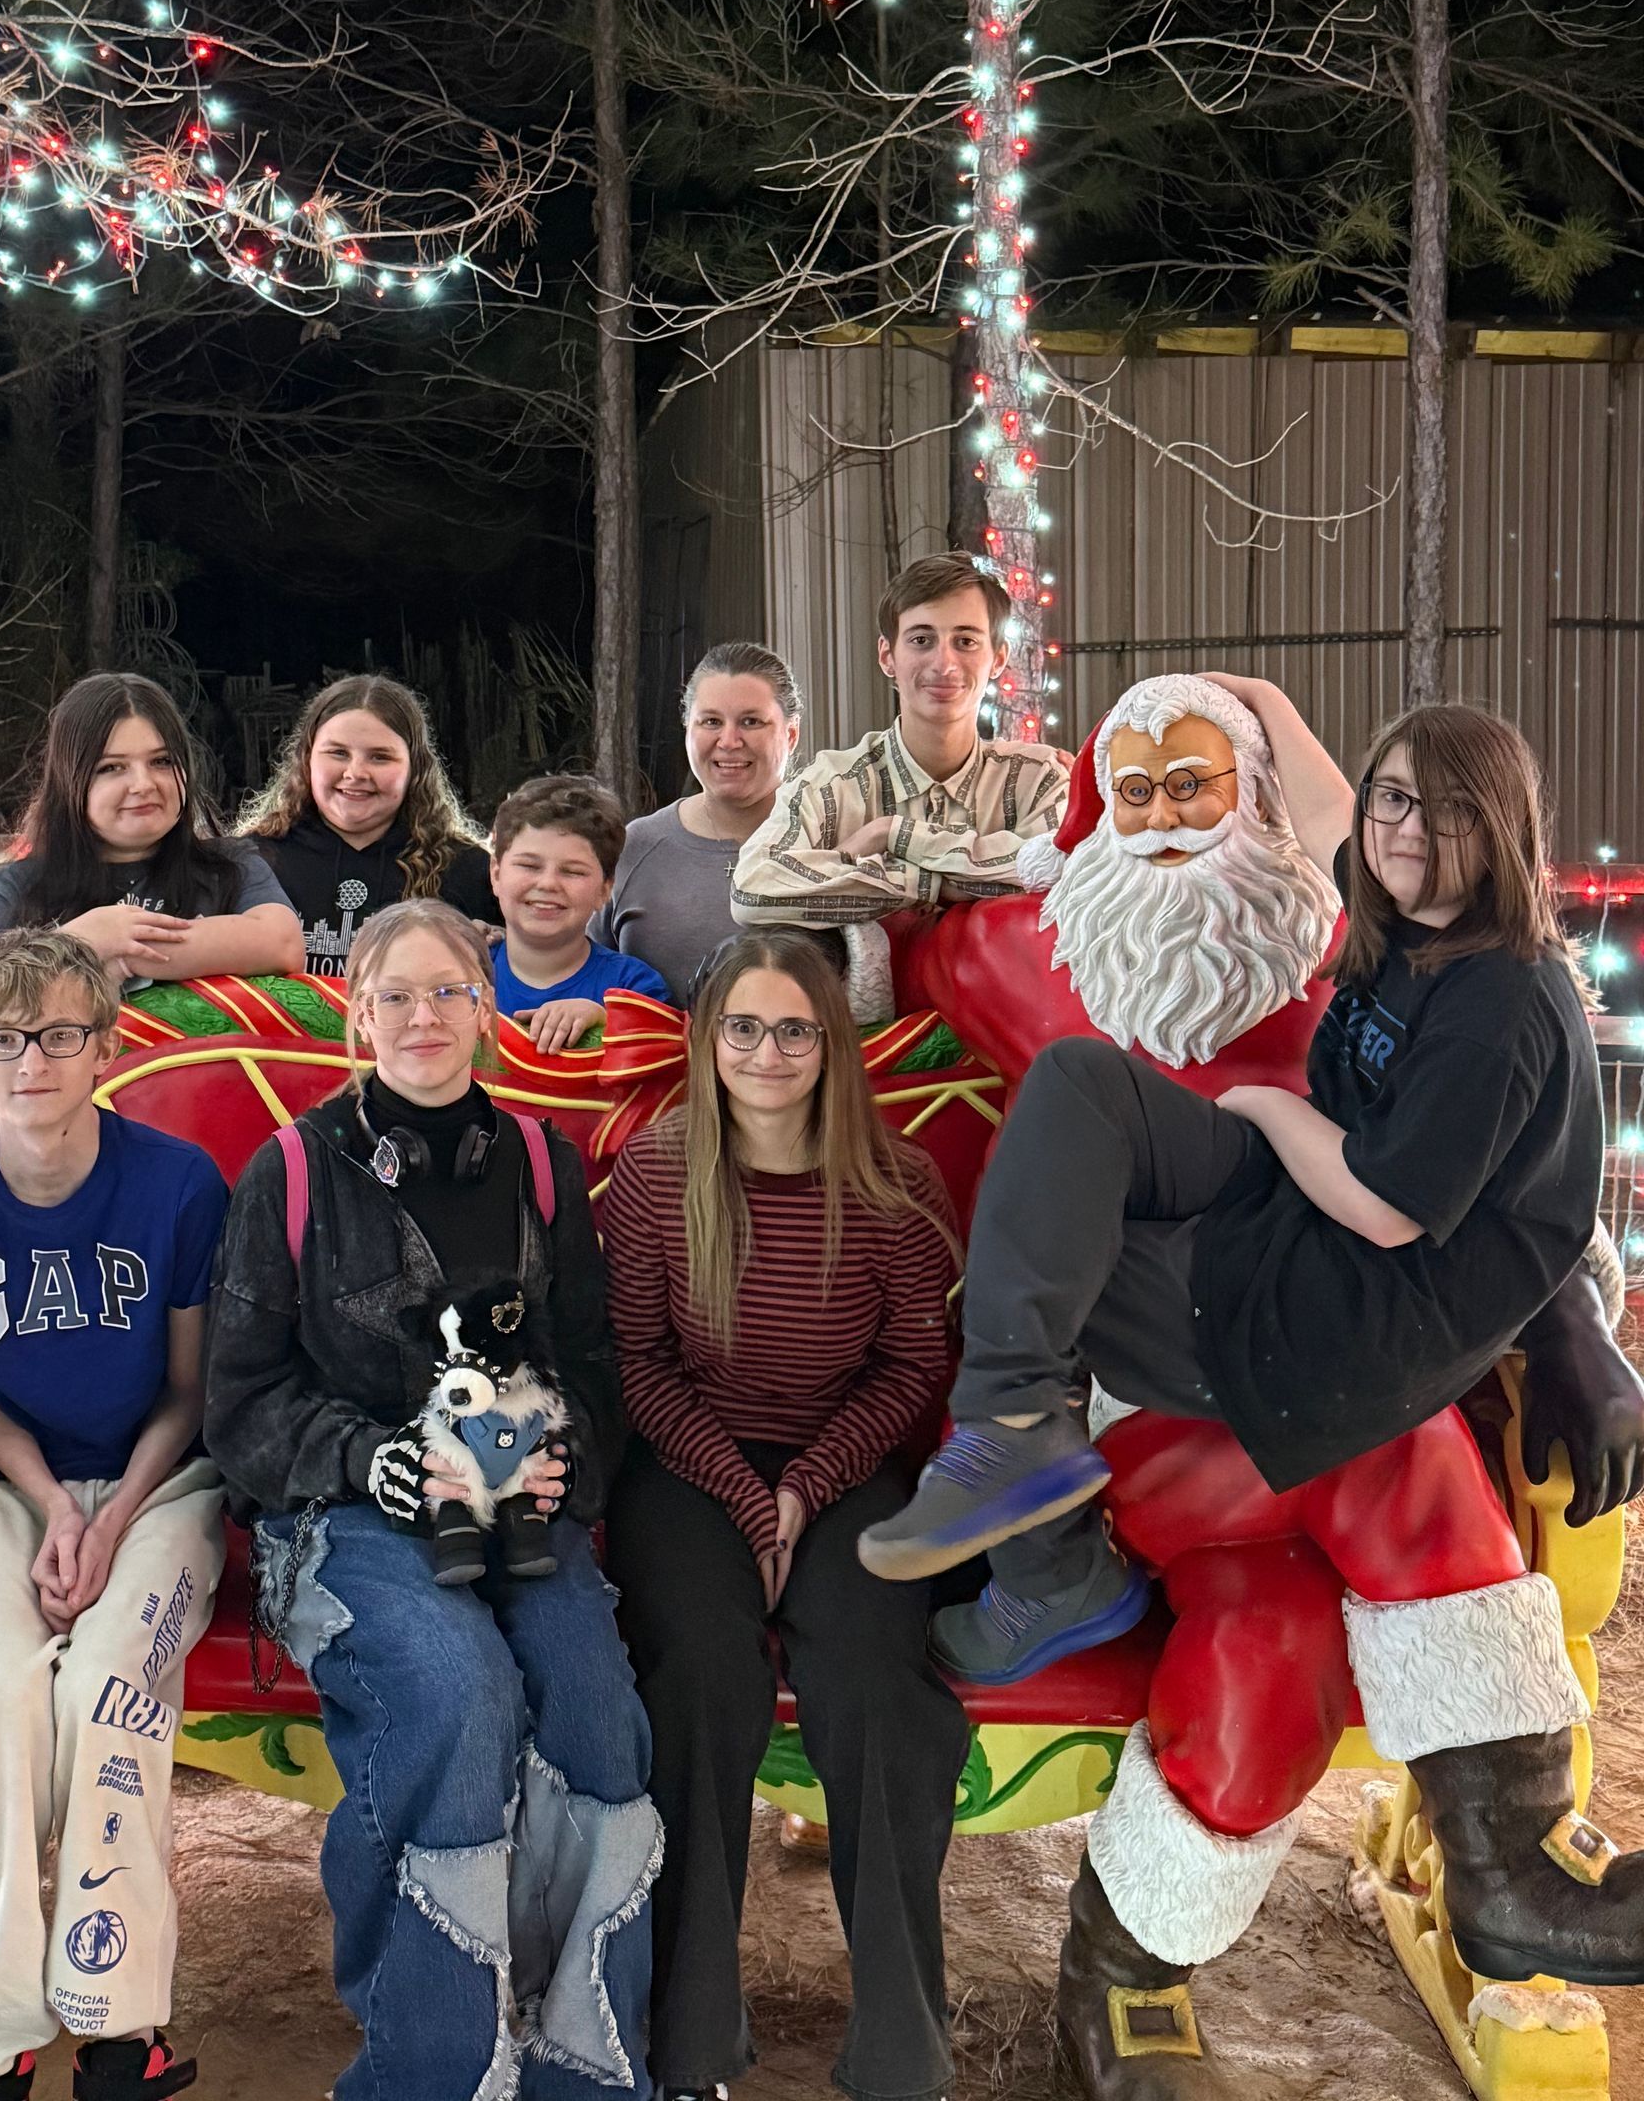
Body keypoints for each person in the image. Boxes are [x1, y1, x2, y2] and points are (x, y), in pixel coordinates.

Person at [863, 689, 1644, 2086]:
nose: (1168, 818)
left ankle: (1138, 1964)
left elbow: (1504, 1155)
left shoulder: (1330, 936)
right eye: (1138, 789)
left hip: (1320, 1330)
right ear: (1097, 812)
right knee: (1387, 1471)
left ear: (1262, 795)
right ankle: (1499, 1866)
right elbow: (850, 961)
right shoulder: (1018, 944)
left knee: (1279, 1633)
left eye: (1199, 782)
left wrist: (1572, 1323)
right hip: (1162, 1382)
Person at [203, 898, 660, 2101]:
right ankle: (436, 2064)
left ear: (485, 1008)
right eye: (393, 995)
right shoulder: (293, 1169)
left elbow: (592, 1362)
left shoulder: (543, 1165)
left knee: (599, 1715)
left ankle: (581, 2059)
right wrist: (378, 1460)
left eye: (447, 992)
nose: (421, 1016)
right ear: (357, 1016)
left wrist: (563, 1451)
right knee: (460, 1696)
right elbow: (242, 1406)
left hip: (522, 1505)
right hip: (347, 1515)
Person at [605, 926, 967, 2101]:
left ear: (831, 1044)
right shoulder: (659, 1176)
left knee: (877, 1685)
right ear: (710, 1042)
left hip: (847, 1466)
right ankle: (693, 2040)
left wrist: (808, 1488)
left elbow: (911, 1367)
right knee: (702, 1675)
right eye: (743, 1027)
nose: (767, 1051)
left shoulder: (897, 1182)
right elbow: (641, 1366)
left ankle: (902, 2051)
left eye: (794, 1029)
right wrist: (745, 1498)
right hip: (688, 1465)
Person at [0, 927, 229, 2101]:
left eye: (61, 1035)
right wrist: (51, 1511)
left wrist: (118, 1509)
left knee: (109, 1691)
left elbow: (190, 1393)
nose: (31, 1060)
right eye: (3, 1037)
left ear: (104, 1049)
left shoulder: (177, 1183)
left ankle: (117, 2021)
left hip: (160, 1480)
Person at [730, 551, 1067, 928]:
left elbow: (1060, 866)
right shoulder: (831, 785)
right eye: (922, 639)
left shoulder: (1038, 778)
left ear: (999, 658)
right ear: (887, 656)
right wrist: (926, 884)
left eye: (966, 641)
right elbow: (753, 890)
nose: (944, 664)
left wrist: (893, 834)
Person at [0, 673, 304, 986]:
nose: (143, 783)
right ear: (69, 782)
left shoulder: (230, 866)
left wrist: (119, 946)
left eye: (161, 762)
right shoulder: (11, 889)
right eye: (112, 767)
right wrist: (81, 940)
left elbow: (283, 944)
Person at [238, 672, 499, 976]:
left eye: (380, 757)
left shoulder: (470, 871)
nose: (355, 772)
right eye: (338, 753)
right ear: (307, 758)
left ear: (415, 768)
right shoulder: (250, 862)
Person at [595, 643, 803, 999]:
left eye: (751, 722)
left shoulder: (837, 842)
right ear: (687, 729)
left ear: (791, 734)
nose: (729, 741)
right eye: (711, 722)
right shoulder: (635, 848)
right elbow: (570, 963)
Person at [488, 773, 669, 1048]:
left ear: (605, 891)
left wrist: (605, 1021)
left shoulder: (633, 987)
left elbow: (665, 1059)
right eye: (529, 866)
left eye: (572, 871)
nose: (548, 883)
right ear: (496, 874)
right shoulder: (463, 973)